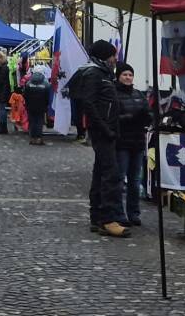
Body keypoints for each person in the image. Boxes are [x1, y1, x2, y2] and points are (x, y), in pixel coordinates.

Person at [69, 40, 129, 237]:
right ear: (104, 56)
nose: (115, 59)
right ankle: (107, 219)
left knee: (100, 174)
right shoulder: (95, 74)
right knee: (110, 176)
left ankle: (97, 217)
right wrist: (105, 128)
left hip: (107, 130)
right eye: (112, 55)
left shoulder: (102, 73)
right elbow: (90, 104)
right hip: (103, 131)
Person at [114, 63, 152, 226]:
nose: (128, 77)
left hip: (137, 142)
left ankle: (134, 213)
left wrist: (146, 117)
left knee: (135, 181)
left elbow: (148, 114)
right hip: (122, 142)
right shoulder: (114, 94)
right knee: (120, 179)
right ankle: (119, 213)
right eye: (125, 75)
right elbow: (113, 117)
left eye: (130, 75)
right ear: (119, 77)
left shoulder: (139, 95)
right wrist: (129, 118)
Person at [23, 59, 53, 145]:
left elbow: (25, 95)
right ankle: (39, 138)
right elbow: (48, 95)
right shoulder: (46, 83)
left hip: (30, 106)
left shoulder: (29, 82)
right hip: (41, 106)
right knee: (39, 121)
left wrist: (27, 104)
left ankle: (32, 138)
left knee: (32, 121)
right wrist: (47, 104)